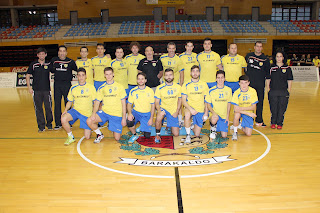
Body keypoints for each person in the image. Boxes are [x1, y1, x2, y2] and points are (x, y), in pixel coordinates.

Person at [87, 67, 126, 143]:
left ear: (113, 74)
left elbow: (123, 103)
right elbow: (97, 102)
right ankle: (99, 134)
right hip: (105, 112)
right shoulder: (102, 87)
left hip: (116, 114)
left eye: (110, 74)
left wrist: (124, 117)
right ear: (104, 75)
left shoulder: (120, 87)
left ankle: (112, 125)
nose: (108, 76)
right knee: (89, 121)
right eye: (107, 74)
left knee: (117, 138)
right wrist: (94, 114)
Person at [61, 68, 96, 145]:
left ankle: (91, 126)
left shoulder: (91, 87)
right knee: (63, 118)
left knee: (87, 137)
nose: (81, 77)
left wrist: (94, 113)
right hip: (76, 111)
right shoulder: (73, 87)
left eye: (83, 75)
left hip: (86, 113)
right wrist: (65, 110)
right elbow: (70, 101)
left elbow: (95, 102)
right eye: (79, 75)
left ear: (86, 76)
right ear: (77, 76)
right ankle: (70, 137)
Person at [50, 45, 77, 130]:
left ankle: (69, 122)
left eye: (63, 51)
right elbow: (50, 69)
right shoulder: (54, 61)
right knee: (57, 104)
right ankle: (58, 123)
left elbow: (78, 69)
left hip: (67, 85)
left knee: (68, 103)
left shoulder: (70, 61)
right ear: (58, 52)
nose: (62, 53)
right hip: (57, 85)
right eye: (60, 51)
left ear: (66, 52)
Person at [26, 47, 53, 132]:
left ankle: (49, 124)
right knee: (38, 109)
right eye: (40, 54)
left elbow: (55, 71)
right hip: (36, 91)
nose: (41, 55)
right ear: (37, 55)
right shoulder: (33, 64)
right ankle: (41, 127)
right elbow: (27, 75)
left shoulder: (49, 64)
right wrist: (29, 87)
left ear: (45, 55)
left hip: (46, 90)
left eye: (43, 54)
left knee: (48, 108)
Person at [181, 65, 209, 145]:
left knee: (197, 134)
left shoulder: (204, 84)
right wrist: (191, 109)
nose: (195, 73)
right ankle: (188, 135)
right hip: (190, 107)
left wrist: (206, 113)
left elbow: (206, 100)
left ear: (199, 73)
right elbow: (183, 100)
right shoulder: (186, 84)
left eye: (197, 71)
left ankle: (192, 126)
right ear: (190, 73)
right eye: (193, 71)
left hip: (200, 109)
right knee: (187, 115)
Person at [245, 41, 270, 127]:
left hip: (260, 85)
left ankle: (259, 120)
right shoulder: (248, 56)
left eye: (260, 46)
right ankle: (248, 120)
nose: (259, 48)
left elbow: (268, 74)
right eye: (257, 46)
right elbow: (244, 68)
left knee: (259, 103)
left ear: (262, 48)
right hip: (250, 85)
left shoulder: (265, 59)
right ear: (254, 47)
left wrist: (268, 86)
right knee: (249, 103)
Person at [266, 51, 293, 130]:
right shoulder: (271, 68)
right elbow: (268, 79)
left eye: (280, 56)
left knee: (282, 108)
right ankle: (273, 123)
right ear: (275, 58)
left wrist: (289, 91)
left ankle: (280, 123)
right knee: (273, 108)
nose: (279, 58)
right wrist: (268, 90)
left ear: (283, 58)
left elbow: (290, 80)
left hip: (283, 92)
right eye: (277, 56)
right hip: (273, 91)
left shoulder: (287, 68)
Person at [154, 68, 182, 143]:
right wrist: (159, 111)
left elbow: (180, 100)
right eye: (166, 75)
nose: (168, 77)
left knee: (176, 134)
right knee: (159, 116)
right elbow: (156, 102)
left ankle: (169, 125)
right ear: (164, 77)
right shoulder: (159, 88)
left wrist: (177, 111)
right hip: (163, 108)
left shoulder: (178, 87)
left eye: (170, 75)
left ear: (173, 76)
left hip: (173, 111)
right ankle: (157, 134)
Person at [127, 73, 155, 143]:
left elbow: (153, 105)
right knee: (129, 121)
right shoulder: (133, 91)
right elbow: (129, 104)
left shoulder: (150, 91)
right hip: (136, 113)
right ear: (137, 80)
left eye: (142, 79)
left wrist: (151, 118)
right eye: (139, 79)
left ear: (145, 80)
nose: (140, 81)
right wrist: (130, 113)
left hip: (146, 114)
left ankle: (142, 126)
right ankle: (134, 134)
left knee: (147, 136)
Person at [206, 70, 232, 139]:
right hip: (214, 114)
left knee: (224, 135)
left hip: (223, 116)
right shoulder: (211, 90)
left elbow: (229, 104)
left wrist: (227, 117)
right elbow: (208, 105)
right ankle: (213, 129)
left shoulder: (228, 90)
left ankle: (218, 125)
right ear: (216, 79)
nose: (220, 79)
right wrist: (213, 113)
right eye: (218, 78)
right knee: (215, 118)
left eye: (222, 77)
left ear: (224, 79)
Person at [231, 75, 258, 141]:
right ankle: (235, 132)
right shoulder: (236, 93)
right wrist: (248, 113)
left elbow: (253, 107)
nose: (244, 85)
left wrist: (241, 109)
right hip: (243, 112)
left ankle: (239, 125)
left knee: (248, 134)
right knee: (237, 115)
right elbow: (235, 109)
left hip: (247, 111)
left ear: (248, 83)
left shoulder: (253, 91)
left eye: (245, 83)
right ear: (239, 83)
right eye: (242, 83)